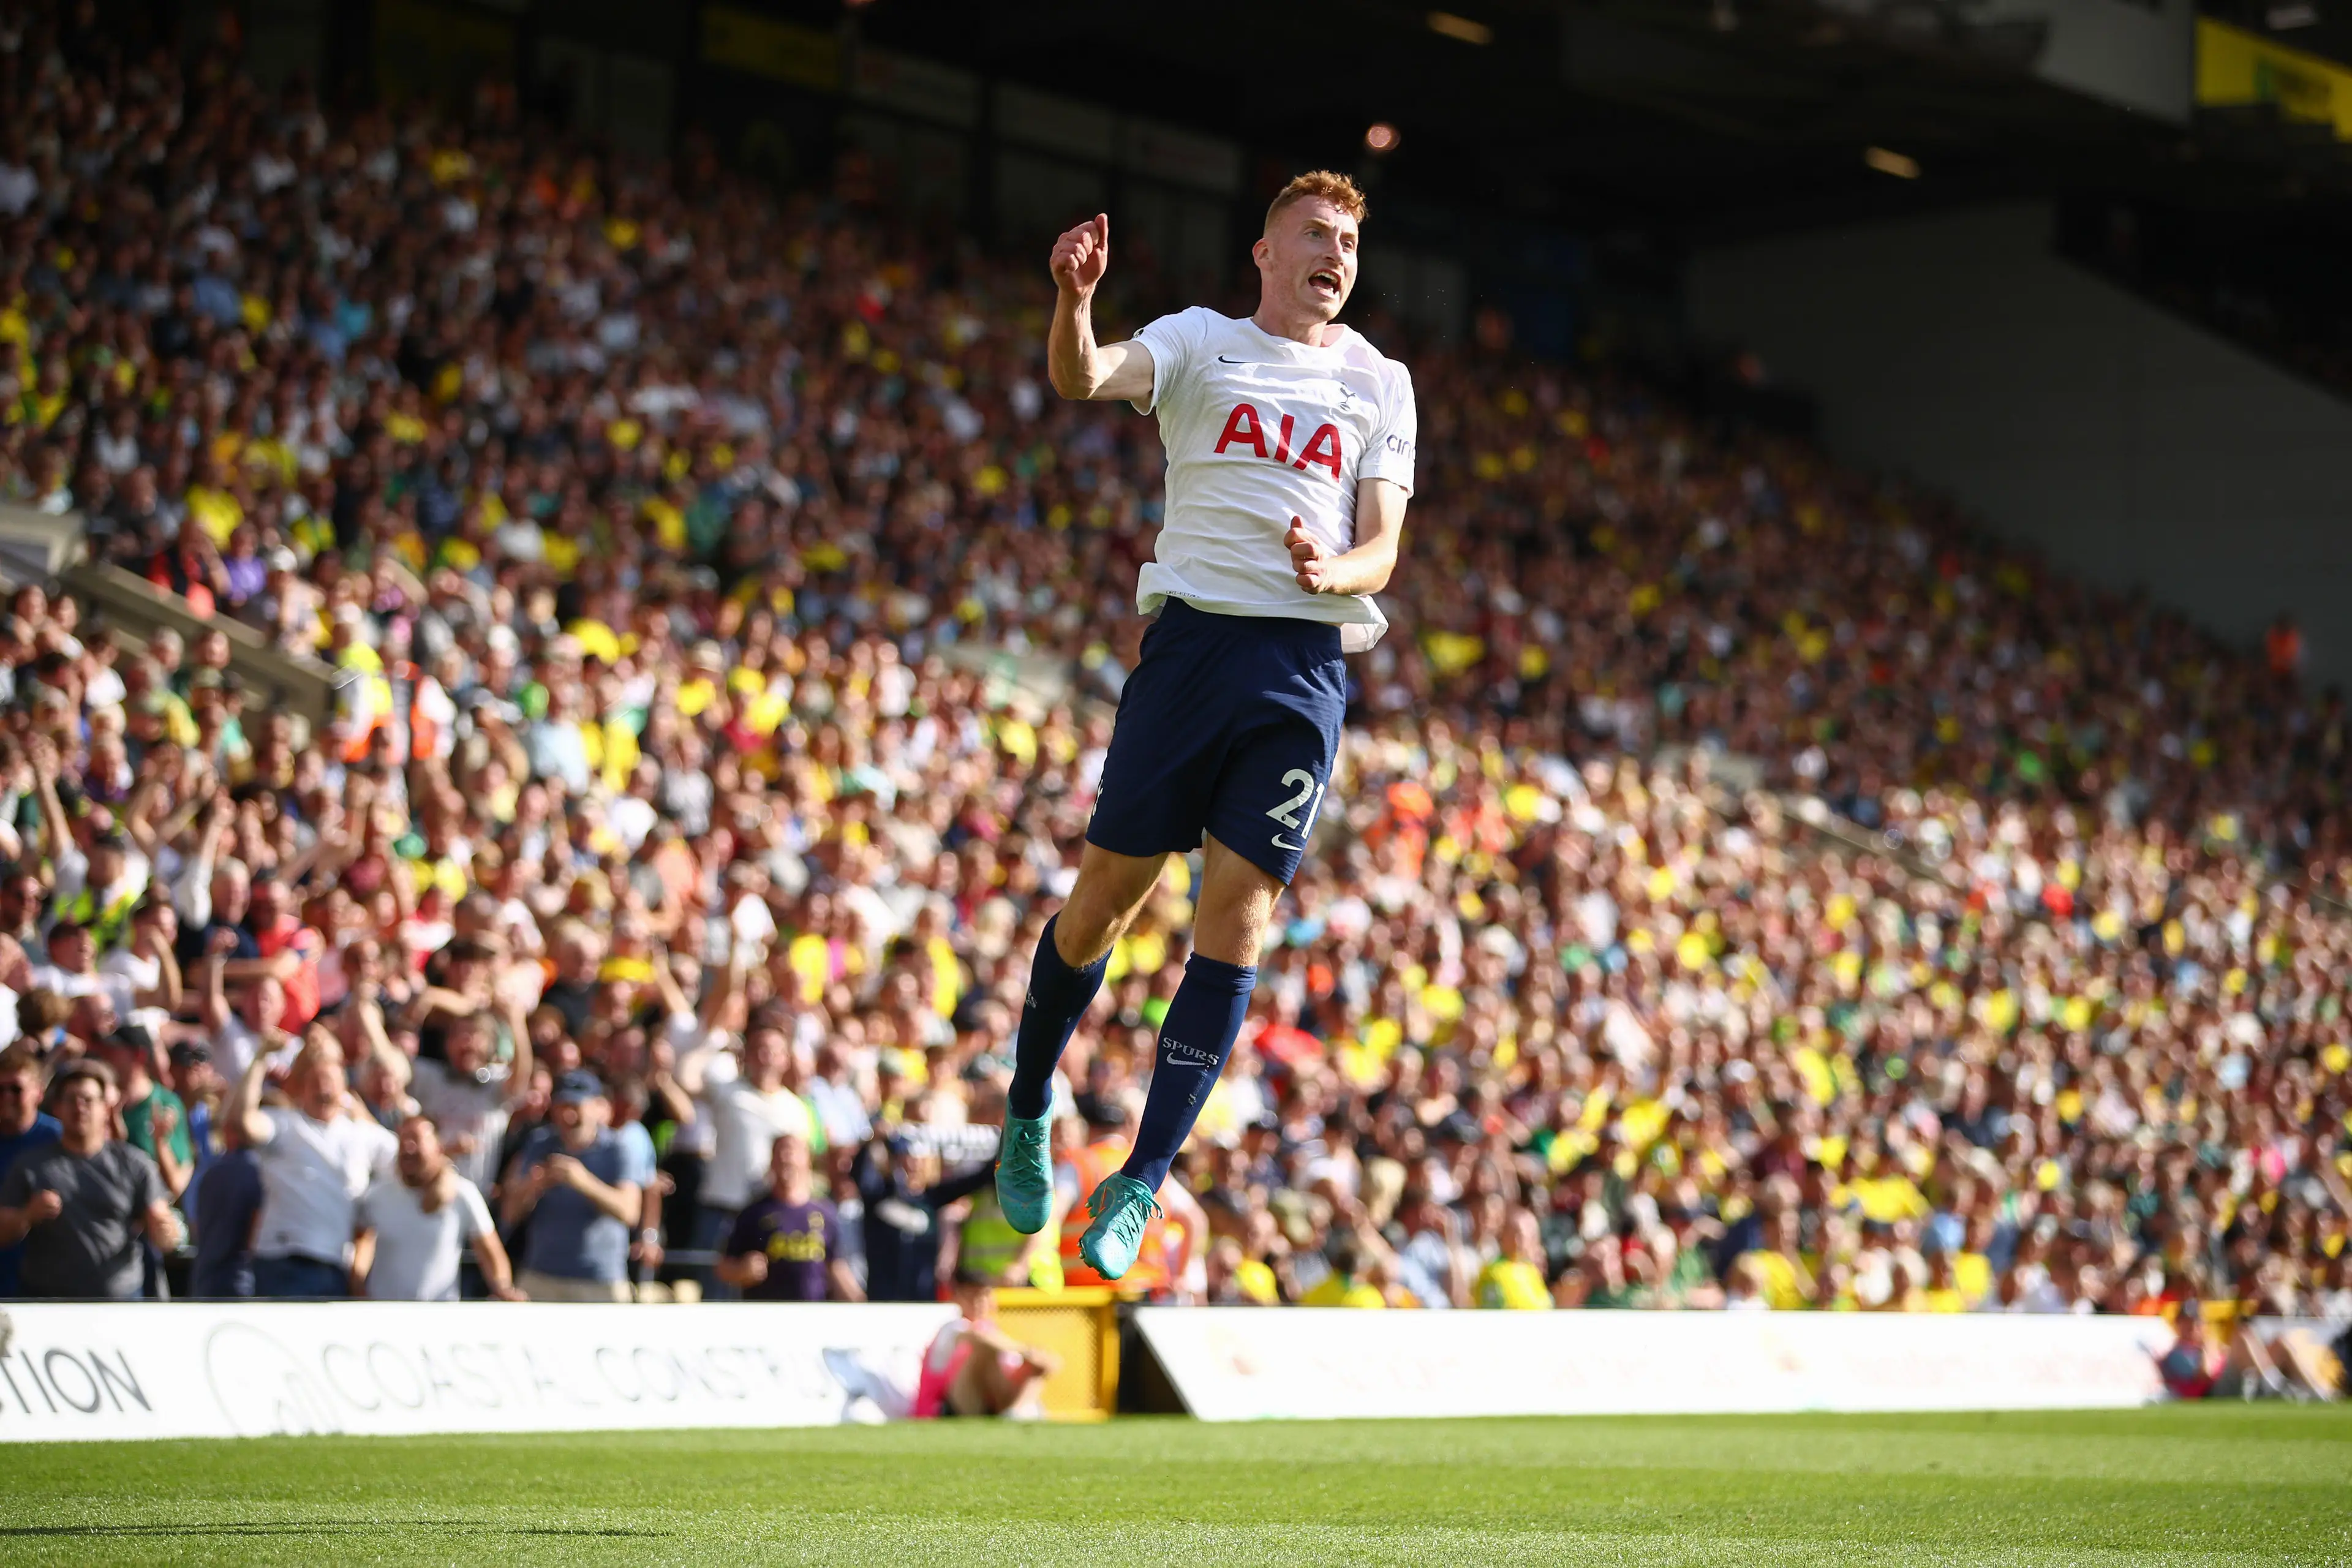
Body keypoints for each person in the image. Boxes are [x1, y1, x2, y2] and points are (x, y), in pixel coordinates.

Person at [998, 170, 1417, 1280]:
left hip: (1301, 667)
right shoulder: (1196, 341)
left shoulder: (1380, 382)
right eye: (1316, 236)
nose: (1337, 255)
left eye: (1350, 244)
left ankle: (1141, 1179)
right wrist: (1075, 300)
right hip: (1189, 653)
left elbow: (1383, 548)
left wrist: (1338, 570)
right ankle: (1031, 1098)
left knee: (1237, 921)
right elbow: (1082, 375)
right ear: (1265, 253)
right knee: (1101, 910)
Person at [232, 1033, 396, 1298]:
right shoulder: (285, 1124)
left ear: (344, 1089)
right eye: (316, 1082)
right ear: (302, 1089)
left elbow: (411, 1159)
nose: (323, 1089)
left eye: (330, 1081)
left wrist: (361, 1112)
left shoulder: (362, 1135)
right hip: (280, 1260)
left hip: (333, 1265)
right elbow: (244, 1123)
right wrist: (260, 1059)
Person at [0, 1059, 179, 1298]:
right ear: (57, 1108)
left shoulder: (133, 1163)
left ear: (106, 1108)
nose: (79, 1107)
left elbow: (162, 1225)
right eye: (70, 1100)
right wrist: (28, 1215)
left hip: (120, 1302)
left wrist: (164, 1230)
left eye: (88, 1100)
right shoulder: (31, 1166)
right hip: (49, 1305)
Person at [504, 1069, 650, 1303]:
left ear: (598, 1108)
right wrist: (534, 1186)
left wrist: (582, 1182)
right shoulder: (540, 1143)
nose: (568, 1116)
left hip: (599, 1281)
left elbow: (629, 1212)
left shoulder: (617, 1149)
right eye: (562, 1107)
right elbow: (509, 1214)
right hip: (541, 1276)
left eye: (576, 1106)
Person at [353, 1115, 522, 1302]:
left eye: (416, 1140)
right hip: (384, 1312)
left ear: (439, 1147)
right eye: (404, 1141)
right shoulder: (378, 1195)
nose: (409, 1148)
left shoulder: (462, 1194)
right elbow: (363, 1244)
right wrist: (358, 1287)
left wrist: (503, 1288)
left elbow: (489, 1250)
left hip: (439, 1315)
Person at [715, 1132, 863, 1302]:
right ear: (771, 1162)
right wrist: (742, 1271)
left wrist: (860, 1304)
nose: (786, 1158)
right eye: (780, 1153)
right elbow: (723, 1267)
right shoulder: (753, 1214)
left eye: (792, 1152)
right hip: (766, 1315)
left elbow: (835, 1266)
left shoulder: (826, 1213)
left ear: (808, 1160)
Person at [910, 1270, 1063, 1419]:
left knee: (1037, 1367)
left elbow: (1010, 1364)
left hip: (988, 1401)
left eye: (984, 1295)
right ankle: (1017, 1413)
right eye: (972, 1296)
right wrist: (1026, 1351)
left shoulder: (992, 1329)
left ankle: (1016, 1413)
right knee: (984, 1351)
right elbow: (979, 1338)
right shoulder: (952, 1327)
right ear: (957, 1298)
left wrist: (1039, 1360)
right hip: (943, 1409)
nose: (979, 1302)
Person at [0, 1042, 60, 1295]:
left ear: (39, 1092)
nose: (6, 1098)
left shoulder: (59, 1139)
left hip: (47, 1281)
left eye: (16, 1089)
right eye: (0, 1089)